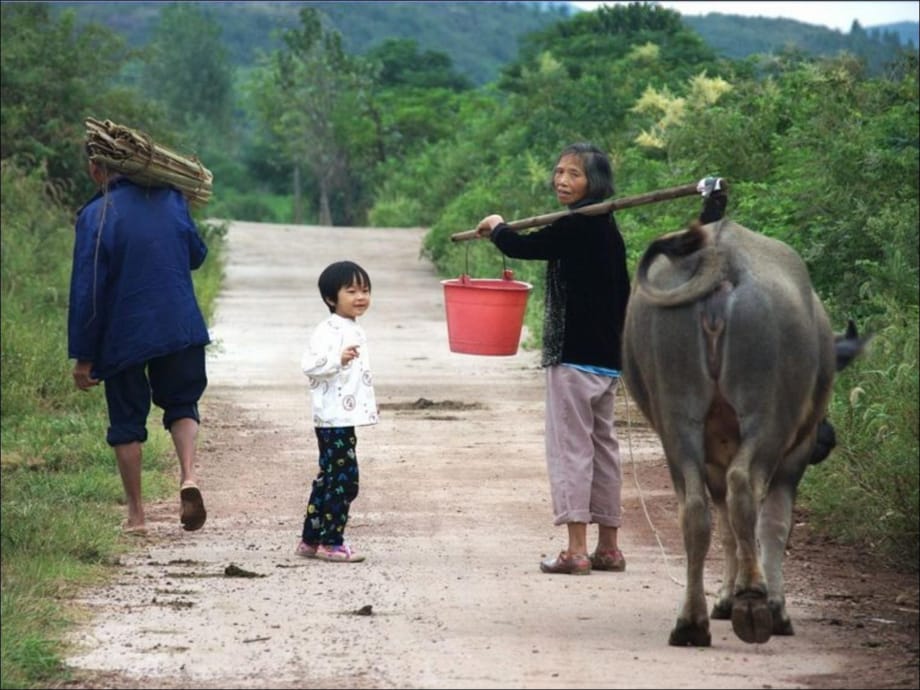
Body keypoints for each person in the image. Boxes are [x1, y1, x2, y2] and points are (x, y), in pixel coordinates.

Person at [68, 148, 210, 535]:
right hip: (179, 324)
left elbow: (87, 290)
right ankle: (188, 475)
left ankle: (137, 516)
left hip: (123, 332)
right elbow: (196, 255)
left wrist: (83, 355)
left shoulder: (95, 215)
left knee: (126, 422)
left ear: (97, 170)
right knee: (182, 403)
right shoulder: (173, 199)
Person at [296, 260, 378, 563]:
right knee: (344, 480)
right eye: (352, 290)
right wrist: (337, 359)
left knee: (329, 477)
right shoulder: (327, 331)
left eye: (365, 290)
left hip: (342, 418)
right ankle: (332, 542)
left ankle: (310, 540)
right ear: (331, 298)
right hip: (333, 418)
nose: (361, 297)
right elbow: (310, 365)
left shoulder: (352, 327)